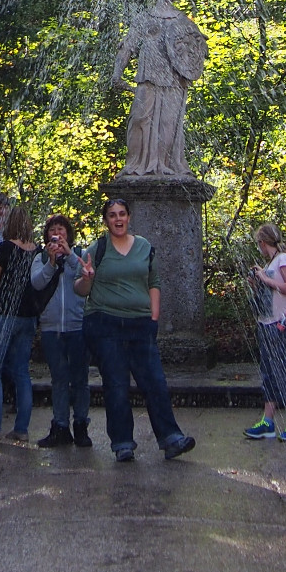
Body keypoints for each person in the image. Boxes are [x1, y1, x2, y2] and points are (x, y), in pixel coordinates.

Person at [75, 197, 196, 462]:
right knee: (116, 384)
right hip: (105, 324)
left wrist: (153, 317)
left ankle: (171, 438)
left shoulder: (144, 247)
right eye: (112, 215)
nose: (117, 219)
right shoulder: (97, 249)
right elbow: (80, 290)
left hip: (140, 325)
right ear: (106, 221)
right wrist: (87, 278)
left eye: (122, 214)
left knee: (155, 381)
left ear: (129, 217)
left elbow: (154, 281)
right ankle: (122, 443)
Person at [0, 204, 40, 443]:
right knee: (22, 372)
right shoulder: (37, 251)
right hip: (28, 318)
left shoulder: (4, 248)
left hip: (4, 315)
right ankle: (21, 429)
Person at [29, 215, 91, 449]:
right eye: (53, 231)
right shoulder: (41, 258)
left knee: (80, 379)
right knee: (59, 379)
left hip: (77, 327)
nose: (58, 234)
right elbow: (36, 283)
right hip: (51, 328)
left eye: (62, 230)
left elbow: (84, 276)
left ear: (68, 234)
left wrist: (70, 256)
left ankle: (81, 425)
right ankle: (60, 426)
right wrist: (51, 263)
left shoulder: (80, 256)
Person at [243, 223, 286, 441]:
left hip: (281, 323)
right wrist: (257, 283)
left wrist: (265, 279)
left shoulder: (284, 259)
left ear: (262, 242)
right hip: (266, 322)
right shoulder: (270, 263)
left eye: (257, 243)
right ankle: (268, 421)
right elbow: (270, 291)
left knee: (280, 371)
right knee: (268, 373)